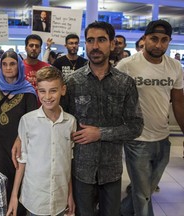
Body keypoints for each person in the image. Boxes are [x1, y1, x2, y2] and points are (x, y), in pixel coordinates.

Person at [60, 21, 143, 216]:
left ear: (112, 44)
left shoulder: (125, 83)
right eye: (90, 40)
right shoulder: (72, 82)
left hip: (111, 171)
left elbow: (136, 126)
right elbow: (59, 122)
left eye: (101, 40)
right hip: (81, 172)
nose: (95, 46)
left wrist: (100, 133)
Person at [117, 19, 184, 216]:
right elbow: (115, 99)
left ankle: (121, 212)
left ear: (169, 41)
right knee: (142, 194)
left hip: (163, 139)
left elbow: (179, 102)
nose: (158, 44)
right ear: (144, 39)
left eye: (164, 40)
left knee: (146, 189)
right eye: (154, 39)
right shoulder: (127, 65)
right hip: (137, 139)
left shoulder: (174, 67)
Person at [7, 66, 77, 216]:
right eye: (42, 91)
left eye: (53, 90)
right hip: (35, 197)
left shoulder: (70, 122)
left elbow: (68, 161)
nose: (47, 96)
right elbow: (22, 160)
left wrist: (70, 194)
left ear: (63, 90)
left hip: (60, 197)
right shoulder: (27, 121)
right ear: (37, 91)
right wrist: (14, 196)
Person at [0, 50, 38, 215]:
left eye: (12, 64)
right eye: (4, 64)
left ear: (19, 66)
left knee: (16, 184)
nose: (8, 67)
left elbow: (33, 123)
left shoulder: (28, 92)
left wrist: (21, 139)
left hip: (18, 147)